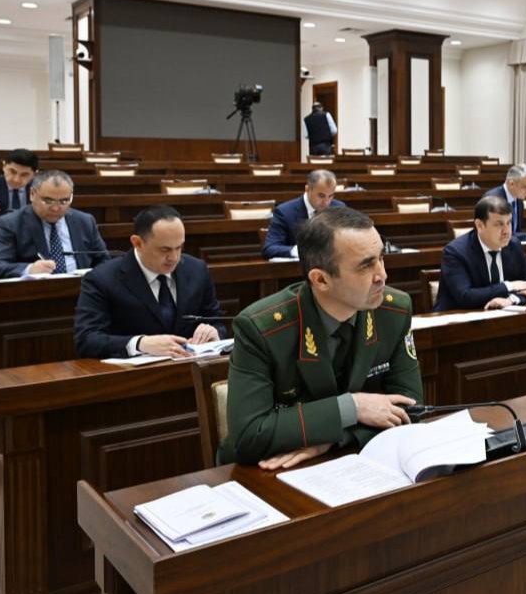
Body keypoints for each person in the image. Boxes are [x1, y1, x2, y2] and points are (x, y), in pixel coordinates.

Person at [220, 207, 422, 468]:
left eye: (381, 258)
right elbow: (249, 435)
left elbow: (411, 407)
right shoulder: (261, 328)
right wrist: (353, 407)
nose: (382, 275)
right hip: (269, 470)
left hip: (352, 462)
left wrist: (335, 438)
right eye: (365, 265)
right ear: (321, 280)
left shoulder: (394, 310)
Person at [74, 206, 226, 359]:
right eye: (165, 250)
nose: (174, 257)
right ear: (137, 243)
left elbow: (217, 321)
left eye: (179, 247)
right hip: (134, 371)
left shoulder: (197, 270)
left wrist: (214, 332)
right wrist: (140, 343)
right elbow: (87, 339)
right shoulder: (102, 279)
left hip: (190, 366)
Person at [0, 170, 109, 279]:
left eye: (64, 201)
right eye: (48, 201)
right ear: (32, 194)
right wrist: (29, 269)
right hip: (37, 292)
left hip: (82, 289)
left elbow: (104, 260)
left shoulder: (85, 221)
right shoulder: (11, 223)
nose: (56, 208)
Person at [434, 196, 526, 311]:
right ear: (480, 225)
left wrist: (511, 300)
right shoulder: (455, 252)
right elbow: (465, 296)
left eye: (509, 223)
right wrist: (509, 286)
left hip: (501, 316)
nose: (506, 231)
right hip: (458, 318)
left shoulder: (513, 245)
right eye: (499, 224)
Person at [262, 169, 346, 259]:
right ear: (307, 189)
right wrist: (300, 251)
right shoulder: (284, 212)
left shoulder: (339, 208)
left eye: (330, 196)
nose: (326, 202)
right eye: (321, 196)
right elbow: (269, 248)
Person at [486, 163, 526, 240]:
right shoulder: (493, 200)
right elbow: (498, 233)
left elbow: (516, 231)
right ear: (512, 184)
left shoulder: (519, 201)